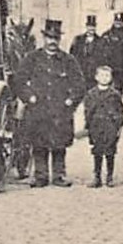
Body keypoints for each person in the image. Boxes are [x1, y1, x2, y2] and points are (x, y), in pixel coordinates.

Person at [16, 18, 86, 188]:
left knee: (59, 143)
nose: (52, 42)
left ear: (59, 40)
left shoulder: (68, 60)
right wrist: (29, 97)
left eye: (55, 38)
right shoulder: (32, 58)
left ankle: (59, 175)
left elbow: (80, 84)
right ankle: (41, 176)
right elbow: (19, 80)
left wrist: (71, 101)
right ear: (44, 38)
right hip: (38, 108)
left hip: (60, 109)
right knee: (38, 143)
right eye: (49, 38)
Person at [83, 64, 123, 187]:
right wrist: (88, 125)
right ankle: (97, 177)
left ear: (111, 78)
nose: (104, 78)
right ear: (96, 77)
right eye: (101, 75)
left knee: (110, 151)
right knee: (97, 151)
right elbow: (87, 109)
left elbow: (120, 111)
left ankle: (109, 177)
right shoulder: (91, 94)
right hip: (96, 125)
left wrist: (118, 125)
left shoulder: (114, 94)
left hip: (110, 126)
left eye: (107, 75)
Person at [100, 12, 123, 99]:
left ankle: (117, 102)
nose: (118, 24)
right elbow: (101, 48)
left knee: (119, 85)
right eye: (116, 22)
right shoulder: (107, 34)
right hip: (108, 64)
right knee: (106, 84)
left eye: (119, 22)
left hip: (120, 65)